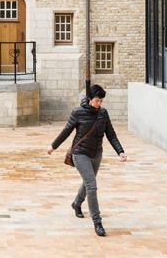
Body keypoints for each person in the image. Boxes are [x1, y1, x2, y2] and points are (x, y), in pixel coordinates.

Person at [47, 84, 127, 237]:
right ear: (90, 99)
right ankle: (97, 221)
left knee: (88, 182)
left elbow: (111, 134)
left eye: (101, 101)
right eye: (97, 100)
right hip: (80, 154)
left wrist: (120, 151)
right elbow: (66, 131)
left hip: (96, 154)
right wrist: (53, 146)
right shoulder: (78, 112)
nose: (99, 103)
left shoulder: (103, 113)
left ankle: (76, 203)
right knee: (92, 185)